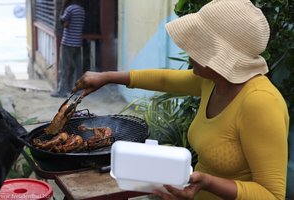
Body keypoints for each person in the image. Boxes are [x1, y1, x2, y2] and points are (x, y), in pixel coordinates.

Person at [72, 0, 289, 199]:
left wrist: (208, 182)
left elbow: (272, 194)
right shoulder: (214, 81)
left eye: (198, 45)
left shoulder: (260, 103)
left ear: (219, 54)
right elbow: (165, 80)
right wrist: (106, 77)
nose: (188, 51)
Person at [51, 0, 85, 98]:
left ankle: (62, 91)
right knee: (78, 67)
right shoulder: (81, 10)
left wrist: (62, 7)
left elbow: (62, 19)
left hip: (68, 43)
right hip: (78, 43)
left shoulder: (70, 9)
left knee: (64, 67)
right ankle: (78, 89)